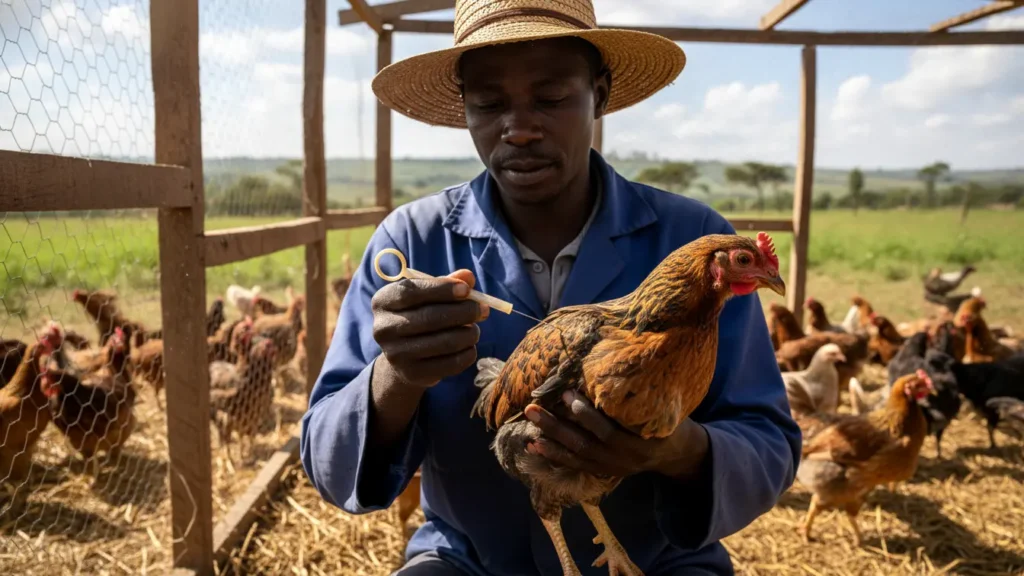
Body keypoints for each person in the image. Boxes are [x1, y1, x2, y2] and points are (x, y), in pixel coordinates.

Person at [301, 1, 801, 574]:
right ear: (464, 109)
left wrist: (674, 448)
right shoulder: (413, 244)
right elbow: (326, 461)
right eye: (489, 103)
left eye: (552, 98)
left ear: (600, 93)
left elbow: (769, 444)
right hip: (469, 559)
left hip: (657, 560)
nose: (520, 129)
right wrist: (395, 374)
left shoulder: (697, 242)